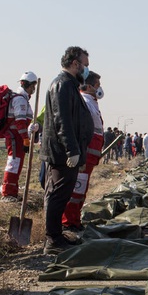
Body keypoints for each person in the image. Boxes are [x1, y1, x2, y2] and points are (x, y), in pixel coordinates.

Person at [40, 46, 94, 254]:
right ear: (75, 64)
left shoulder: (70, 85)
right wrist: (72, 150)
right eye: (85, 65)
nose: (87, 70)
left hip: (68, 151)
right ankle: (52, 239)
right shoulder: (61, 85)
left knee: (63, 193)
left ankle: (56, 235)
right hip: (61, 153)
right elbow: (62, 120)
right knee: (57, 194)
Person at [61, 71, 104, 233]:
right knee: (76, 189)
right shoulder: (84, 101)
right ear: (88, 86)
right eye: (97, 85)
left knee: (81, 189)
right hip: (84, 155)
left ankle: (74, 219)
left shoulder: (91, 102)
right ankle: (69, 222)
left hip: (90, 156)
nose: (99, 89)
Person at [0, 71, 39, 202]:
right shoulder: (20, 100)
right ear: (28, 84)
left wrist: (31, 129)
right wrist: (26, 139)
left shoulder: (23, 99)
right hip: (16, 138)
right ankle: (7, 193)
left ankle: (12, 191)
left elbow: (24, 123)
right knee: (14, 163)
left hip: (18, 137)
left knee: (16, 164)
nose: (34, 89)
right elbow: (20, 123)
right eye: (33, 85)